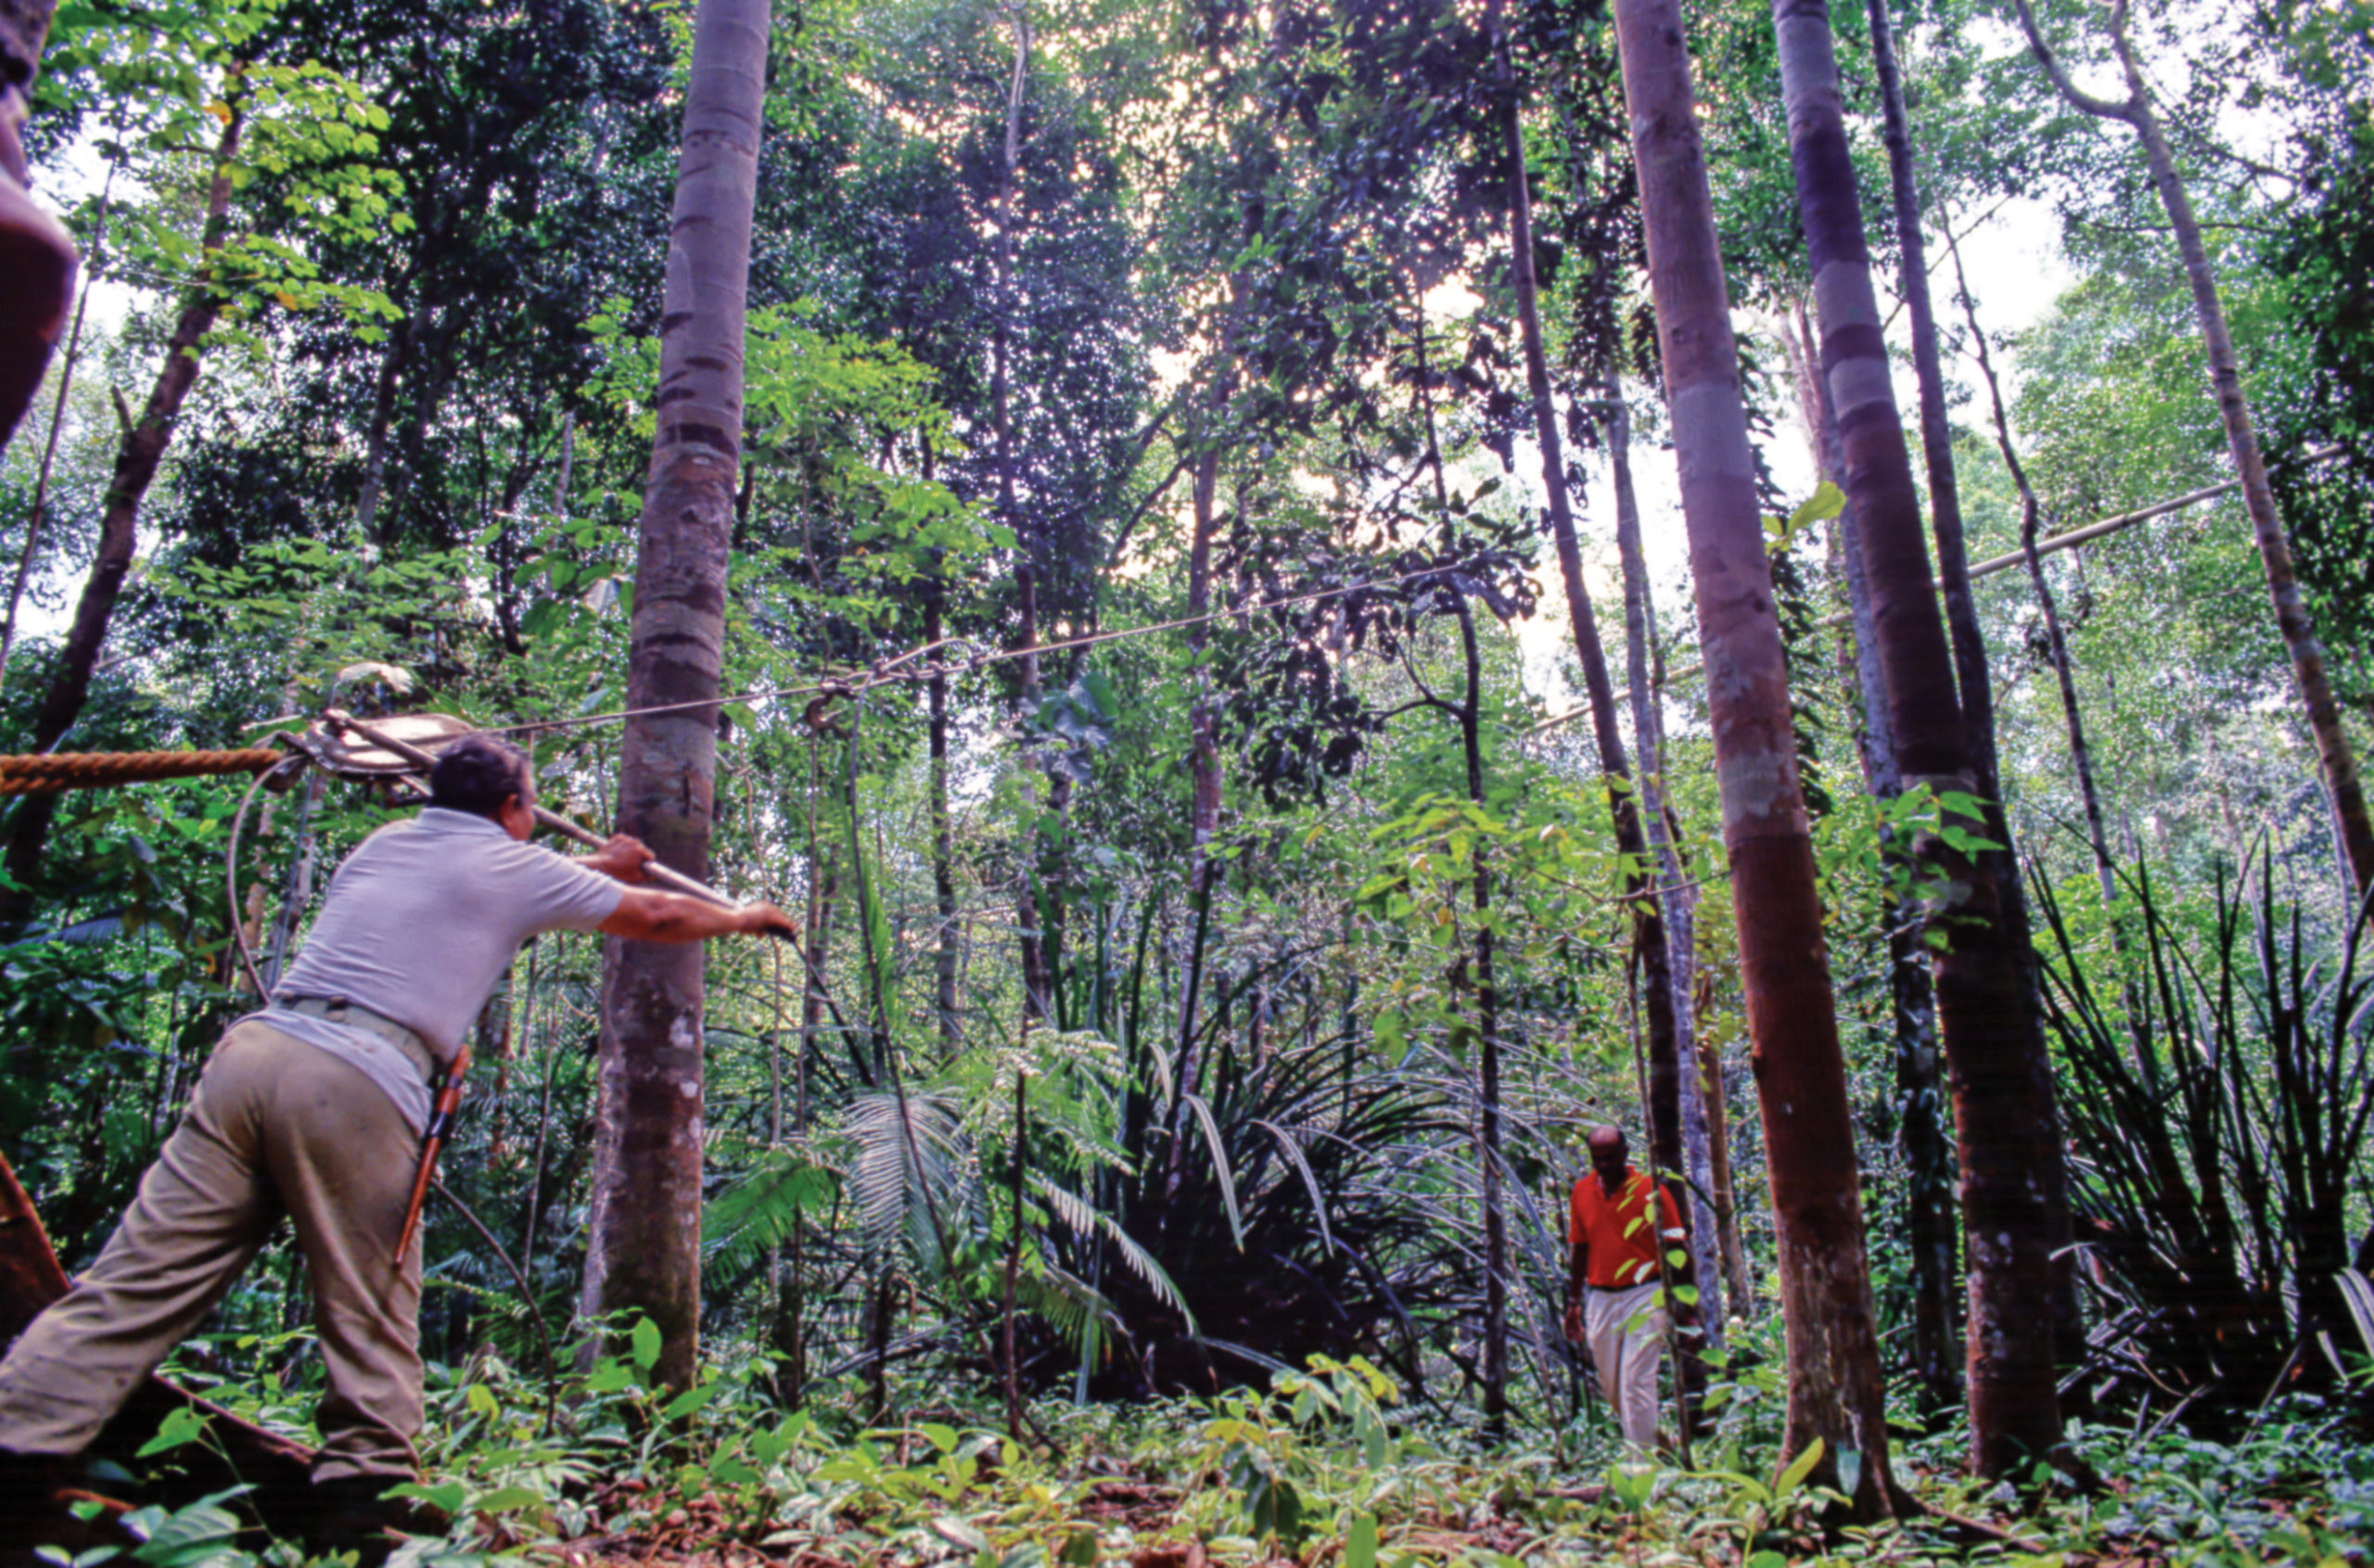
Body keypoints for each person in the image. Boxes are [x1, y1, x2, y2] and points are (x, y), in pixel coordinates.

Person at [0, 734, 795, 1558]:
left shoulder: (388, 844)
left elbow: (494, 894)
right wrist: (743, 917)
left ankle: (17, 1450)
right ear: (514, 809)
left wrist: (599, 861)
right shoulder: (510, 866)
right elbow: (656, 914)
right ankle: (363, 1505)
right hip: (355, 1080)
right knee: (372, 1295)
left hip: (255, 1056)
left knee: (138, 1278)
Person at [1563, 1124, 1696, 1454]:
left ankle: (1642, 1474)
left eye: (1610, 1158)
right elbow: (1580, 1248)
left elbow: (1679, 1248)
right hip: (1601, 1297)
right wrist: (1574, 1302)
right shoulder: (1582, 1192)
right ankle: (1662, 1447)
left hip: (1645, 1294)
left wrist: (1687, 1305)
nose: (1604, 1166)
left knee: (1636, 1382)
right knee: (1612, 1388)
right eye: (1597, 1159)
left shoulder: (1652, 1192)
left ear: (1625, 1153)